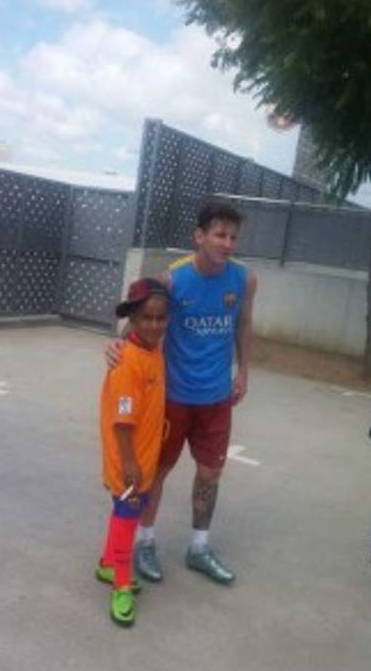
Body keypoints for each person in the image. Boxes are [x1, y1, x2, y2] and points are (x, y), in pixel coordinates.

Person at [107, 199, 256, 585]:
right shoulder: (174, 279)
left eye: (233, 237)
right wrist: (118, 347)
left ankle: (199, 548)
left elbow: (243, 325)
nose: (227, 243)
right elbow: (144, 319)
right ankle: (145, 541)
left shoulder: (244, 279)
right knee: (157, 471)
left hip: (217, 397)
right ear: (200, 236)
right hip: (172, 397)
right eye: (219, 235)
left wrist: (244, 371)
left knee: (210, 473)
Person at [97, 278, 169, 627]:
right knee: (128, 516)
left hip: (141, 456)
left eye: (160, 318)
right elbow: (123, 422)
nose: (154, 325)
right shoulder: (128, 362)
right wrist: (130, 463)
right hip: (129, 461)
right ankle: (121, 586)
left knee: (122, 511)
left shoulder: (152, 351)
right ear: (133, 320)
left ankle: (108, 562)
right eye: (146, 318)